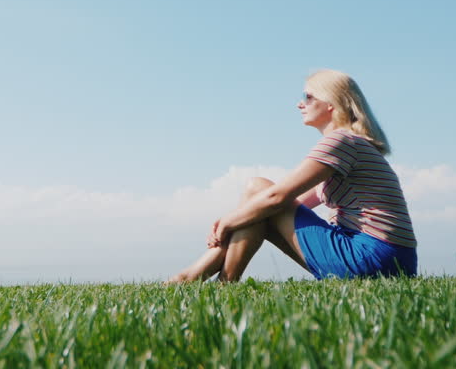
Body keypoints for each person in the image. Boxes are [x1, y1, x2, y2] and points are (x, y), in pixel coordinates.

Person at [166, 69, 417, 283]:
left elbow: (275, 197)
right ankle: (201, 278)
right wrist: (237, 217)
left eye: (308, 97)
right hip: (395, 263)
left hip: (372, 258)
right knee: (258, 206)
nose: (300, 104)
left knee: (258, 187)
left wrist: (227, 222)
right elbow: (271, 207)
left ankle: (205, 280)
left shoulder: (341, 141)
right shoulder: (350, 146)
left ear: (331, 103)